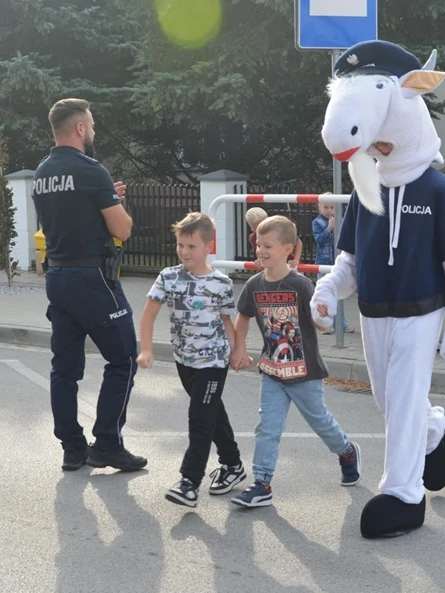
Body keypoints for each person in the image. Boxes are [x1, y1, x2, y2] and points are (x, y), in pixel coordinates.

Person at [314, 40, 445, 538]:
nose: (376, 147)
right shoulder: (367, 189)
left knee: (402, 396)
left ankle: (405, 494)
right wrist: (326, 291)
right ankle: (439, 431)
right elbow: (350, 261)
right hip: (373, 310)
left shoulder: (441, 190)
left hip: (421, 310)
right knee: (390, 400)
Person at [33, 98, 146, 472]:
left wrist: (105, 195)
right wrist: (113, 202)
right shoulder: (91, 170)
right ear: (80, 128)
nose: (94, 131)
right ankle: (108, 444)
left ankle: (72, 448)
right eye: (92, 125)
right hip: (92, 279)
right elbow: (121, 229)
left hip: (58, 278)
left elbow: (68, 213)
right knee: (124, 358)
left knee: (64, 369)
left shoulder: (43, 172)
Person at [230, 216, 361, 508]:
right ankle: (262, 483)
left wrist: (323, 315)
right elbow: (243, 316)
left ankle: (347, 451)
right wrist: (239, 349)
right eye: (258, 245)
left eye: (268, 246)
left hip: (305, 373)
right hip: (272, 371)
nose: (260, 251)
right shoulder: (254, 285)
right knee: (267, 427)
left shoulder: (301, 285)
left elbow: (321, 324)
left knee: (321, 422)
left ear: (288, 249)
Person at [137, 212, 245, 507]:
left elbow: (226, 320)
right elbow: (148, 315)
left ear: (209, 246)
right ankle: (233, 465)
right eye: (181, 245)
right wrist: (146, 349)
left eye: (191, 246)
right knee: (212, 414)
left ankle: (189, 483)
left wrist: (237, 350)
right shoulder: (168, 277)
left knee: (200, 419)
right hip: (184, 360)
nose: (184, 251)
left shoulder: (221, 282)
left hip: (213, 361)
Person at [311, 196, 354, 334]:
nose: (329, 211)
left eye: (332, 207)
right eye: (326, 207)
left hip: (336, 260)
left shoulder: (340, 220)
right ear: (319, 207)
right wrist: (329, 228)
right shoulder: (317, 222)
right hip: (324, 261)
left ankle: (342, 323)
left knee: (338, 294)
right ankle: (324, 322)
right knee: (324, 293)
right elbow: (319, 240)